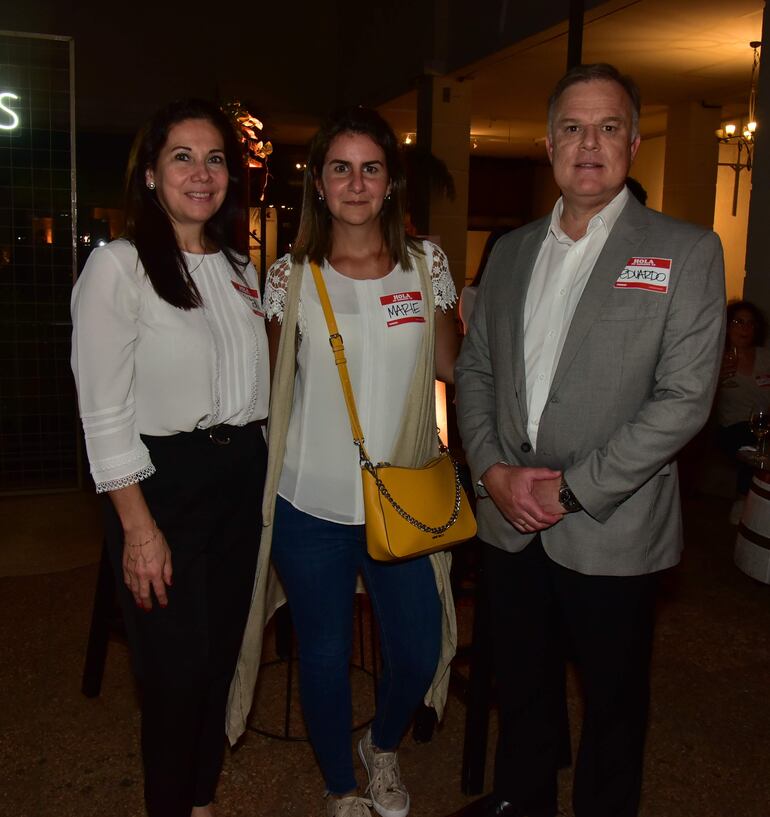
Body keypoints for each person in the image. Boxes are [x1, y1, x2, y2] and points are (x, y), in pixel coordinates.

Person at [455, 64, 725, 817]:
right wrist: (492, 470)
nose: (590, 144)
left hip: (610, 525)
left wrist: (572, 488)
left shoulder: (684, 251)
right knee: (524, 693)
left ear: (634, 142)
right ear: (548, 144)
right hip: (509, 521)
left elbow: (684, 401)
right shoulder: (508, 252)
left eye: (609, 127)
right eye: (573, 127)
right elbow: (475, 369)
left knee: (612, 712)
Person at [227, 106, 459, 817]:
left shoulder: (427, 265)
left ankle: (380, 746)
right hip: (311, 503)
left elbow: (455, 364)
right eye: (340, 168)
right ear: (319, 185)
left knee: (419, 646)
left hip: (403, 502)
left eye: (371, 168)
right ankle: (339, 786)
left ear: (390, 183)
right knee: (323, 653)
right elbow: (270, 392)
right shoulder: (290, 276)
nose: (356, 183)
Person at [71, 98, 269, 817]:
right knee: (174, 674)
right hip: (162, 486)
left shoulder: (242, 268)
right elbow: (103, 408)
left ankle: (202, 800)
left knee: (217, 662)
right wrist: (138, 526)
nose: (201, 171)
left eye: (215, 157)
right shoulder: (118, 268)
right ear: (150, 174)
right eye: (181, 156)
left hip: (238, 478)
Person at [715, 300, 770, 523]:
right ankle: (742, 503)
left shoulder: (765, 357)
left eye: (750, 323)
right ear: (727, 326)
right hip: (732, 426)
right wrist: (715, 380)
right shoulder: (717, 356)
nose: (745, 328)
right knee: (752, 445)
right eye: (738, 322)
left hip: (765, 423)